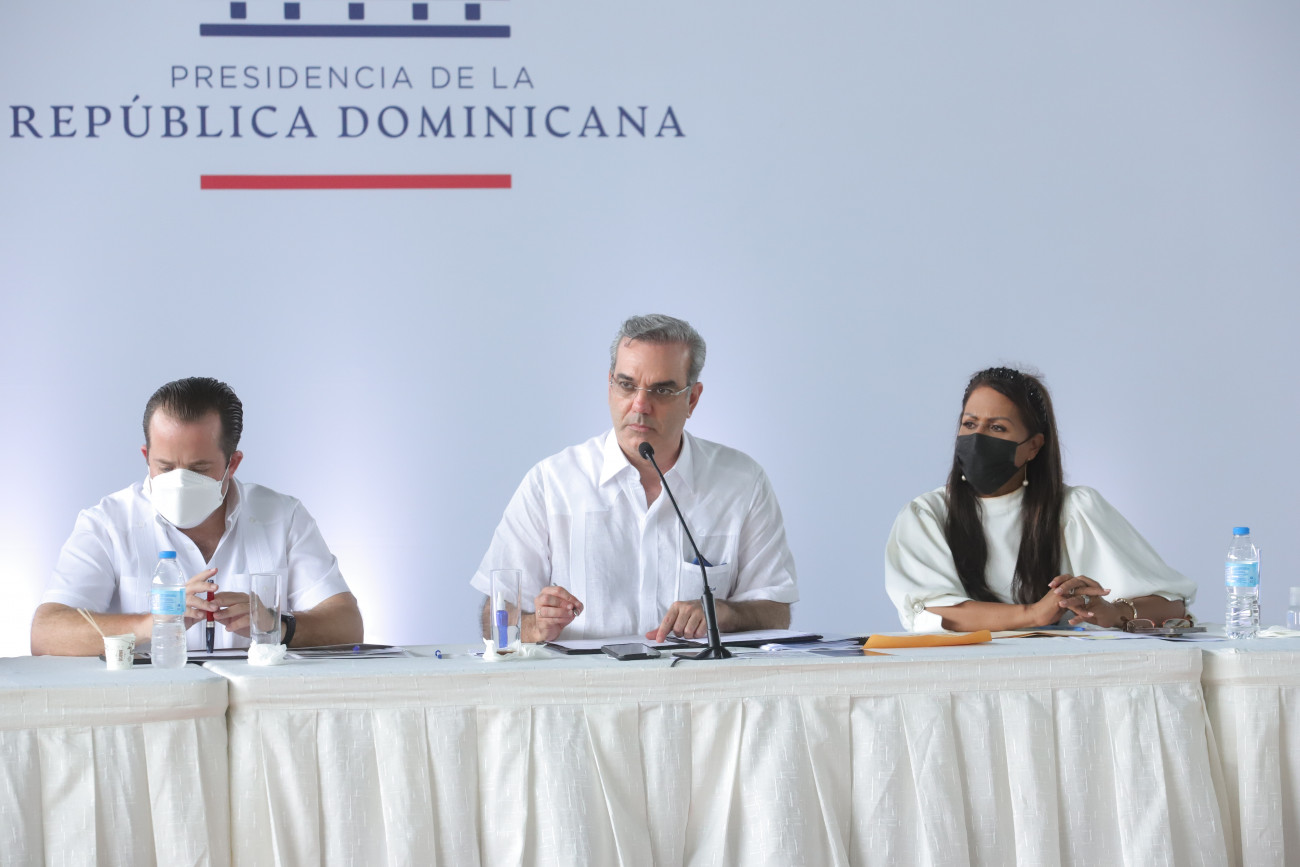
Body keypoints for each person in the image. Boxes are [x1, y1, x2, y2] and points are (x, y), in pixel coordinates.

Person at [472, 314, 799, 643]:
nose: (640, 405)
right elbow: (494, 616)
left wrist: (721, 613)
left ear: (692, 399)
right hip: (584, 676)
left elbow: (776, 611)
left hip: (697, 675)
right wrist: (535, 626)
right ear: (610, 385)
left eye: (662, 390)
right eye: (627, 385)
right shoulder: (551, 483)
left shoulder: (742, 482)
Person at [31, 377, 363, 655]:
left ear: (232, 464)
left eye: (199, 470)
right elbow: (46, 633)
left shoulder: (284, 518)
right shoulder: (106, 524)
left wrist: (276, 624)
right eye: (165, 467)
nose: (179, 483)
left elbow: (348, 626)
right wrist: (151, 623)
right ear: (146, 457)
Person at [885, 366, 1195, 633]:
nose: (978, 438)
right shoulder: (926, 515)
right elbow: (931, 614)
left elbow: (1172, 605)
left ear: (1033, 446)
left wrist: (1112, 612)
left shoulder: (1074, 508)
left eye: (997, 427)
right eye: (969, 424)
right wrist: (1034, 613)